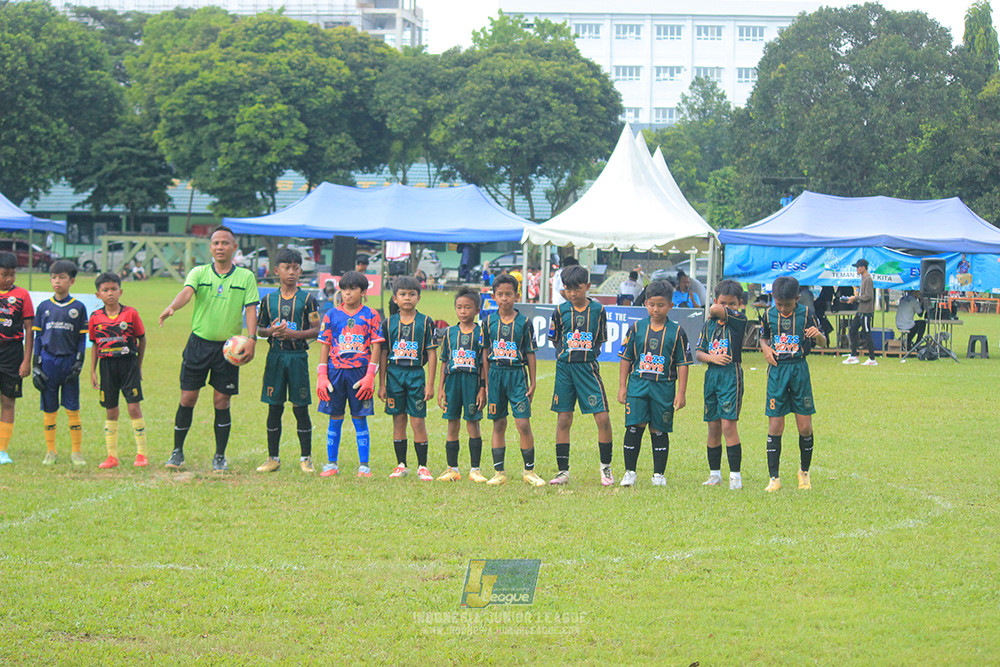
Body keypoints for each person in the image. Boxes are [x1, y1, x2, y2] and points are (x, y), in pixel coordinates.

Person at [159, 225, 259, 472]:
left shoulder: (245, 277)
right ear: (210, 247)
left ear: (234, 247)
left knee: (221, 401)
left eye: (225, 243)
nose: (220, 247)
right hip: (198, 345)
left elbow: (250, 309)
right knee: (187, 398)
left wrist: (252, 339)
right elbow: (187, 292)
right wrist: (173, 307)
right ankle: (177, 452)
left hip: (229, 350)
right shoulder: (199, 272)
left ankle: (220, 456)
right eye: (215, 243)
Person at [617, 280, 690, 486]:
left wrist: (681, 393)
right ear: (646, 304)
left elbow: (683, 363)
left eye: (661, 305)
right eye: (651, 304)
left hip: (664, 388)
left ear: (670, 306)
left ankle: (659, 475)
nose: (656, 309)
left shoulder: (677, 332)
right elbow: (626, 358)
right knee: (634, 427)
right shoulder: (636, 328)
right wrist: (623, 387)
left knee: (659, 430)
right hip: (638, 386)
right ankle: (629, 472)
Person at [256, 249, 321, 474]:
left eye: (295, 268)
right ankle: (272, 458)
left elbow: (316, 330)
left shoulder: (308, 300)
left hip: (297, 359)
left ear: (301, 271)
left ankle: (306, 458)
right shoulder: (268, 300)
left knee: (300, 408)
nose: (291, 272)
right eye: (286, 267)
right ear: (277, 271)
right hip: (275, 358)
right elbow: (260, 330)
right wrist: (271, 331)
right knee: (274, 407)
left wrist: (293, 335)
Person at [547, 265, 613, 486]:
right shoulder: (560, 310)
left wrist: (588, 354)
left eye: (577, 288)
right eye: (568, 289)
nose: (573, 294)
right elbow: (555, 339)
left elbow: (601, 338)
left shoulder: (598, 310)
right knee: (564, 418)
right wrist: (564, 355)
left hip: (588, 369)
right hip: (565, 370)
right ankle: (563, 471)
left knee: (602, 417)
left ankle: (606, 468)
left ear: (587, 286)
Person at [760, 276, 826, 492]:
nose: (783, 309)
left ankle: (804, 473)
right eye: (779, 304)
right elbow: (764, 337)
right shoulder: (769, 315)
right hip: (777, 372)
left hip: (799, 370)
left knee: (805, 427)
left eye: (788, 305)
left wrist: (818, 336)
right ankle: (774, 478)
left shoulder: (806, 314)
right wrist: (766, 348)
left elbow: (823, 341)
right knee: (775, 426)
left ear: (797, 299)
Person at [316, 270, 382, 478]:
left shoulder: (371, 314)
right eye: (344, 289)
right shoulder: (331, 315)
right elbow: (325, 345)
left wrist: (371, 375)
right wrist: (322, 375)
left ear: (362, 291)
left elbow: (377, 345)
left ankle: (364, 466)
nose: (347, 293)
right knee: (334, 417)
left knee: (359, 418)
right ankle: (331, 464)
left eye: (352, 289)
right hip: (335, 373)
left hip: (359, 374)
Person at [481, 274, 545, 487]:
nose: (504, 298)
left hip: (517, 376)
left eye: (509, 294)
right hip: (496, 375)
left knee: (523, 424)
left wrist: (533, 381)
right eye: (500, 294)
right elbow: (485, 352)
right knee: (498, 423)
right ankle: (499, 472)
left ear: (517, 296)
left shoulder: (524, 322)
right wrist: (485, 382)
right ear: (493, 296)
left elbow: (530, 352)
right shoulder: (488, 321)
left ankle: (529, 471)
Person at [379, 276, 437, 480]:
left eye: (412, 294)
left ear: (418, 297)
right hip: (394, 376)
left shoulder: (426, 322)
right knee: (399, 420)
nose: (407, 298)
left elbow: (431, 353)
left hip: (415, 376)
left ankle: (423, 466)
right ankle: (401, 464)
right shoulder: (388, 323)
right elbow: (383, 353)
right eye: (403, 294)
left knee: (418, 422)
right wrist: (382, 384)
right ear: (395, 298)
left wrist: (430, 384)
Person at [89, 272, 148, 468]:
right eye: (105, 290)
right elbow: (95, 345)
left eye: (114, 289)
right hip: (106, 366)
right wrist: (92, 370)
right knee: (111, 410)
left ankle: (141, 454)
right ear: (98, 295)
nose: (110, 293)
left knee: (133, 407)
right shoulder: (95, 317)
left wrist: (138, 366)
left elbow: (142, 339)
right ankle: (111, 456)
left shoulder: (130, 313)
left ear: (120, 291)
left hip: (128, 364)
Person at [33, 260, 88, 466]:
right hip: (48, 362)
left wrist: (79, 362)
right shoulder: (44, 307)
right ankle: (50, 451)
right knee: (49, 409)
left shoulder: (78, 308)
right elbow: (38, 338)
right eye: (54, 277)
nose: (57, 281)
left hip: (68, 363)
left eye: (62, 277)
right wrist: (36, 365)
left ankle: (76, 452)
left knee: (72, 409)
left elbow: (82, 340)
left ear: (72, 281)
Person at [695, 280, 748, 490]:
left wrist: (717, 309)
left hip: (730, 375)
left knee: (728, 425)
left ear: (740, 304)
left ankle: (735, 476)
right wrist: (712, 358)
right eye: (723, 302)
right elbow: (698, 353)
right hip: (712, 377)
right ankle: (715, 474)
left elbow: (716, 310)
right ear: (716, 299)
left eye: (732, 304)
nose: (727, 307)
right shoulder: (708, 325)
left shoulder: (738, 321)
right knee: (713, 426)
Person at [436, 287, 487, 482]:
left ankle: (475, 469)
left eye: (467, 307)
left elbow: (483, 364)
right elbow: (444, 362)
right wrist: (441, 388)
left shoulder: (481, 333)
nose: (463, 311)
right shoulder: (449, 333)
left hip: (472, 382)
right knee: (452, 424)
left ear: (477, 310)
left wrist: (482, 388)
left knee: (473, 424)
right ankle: (452, 468)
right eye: (459, 307)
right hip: (452, 382)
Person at [0, 252, 34, 464]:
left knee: (8, 400)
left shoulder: (22, 295)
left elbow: (30, 329)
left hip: (13, 353)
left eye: (13, 274)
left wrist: (26, 360)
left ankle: (2, 450)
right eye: (4, 274)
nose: (9, 279)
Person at [844, 259, 877, 366]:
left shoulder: (868, 279)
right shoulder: (863, 278)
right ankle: (853, 355)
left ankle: (872, 358)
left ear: (863, 267)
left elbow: (868, 296)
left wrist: (856, 298)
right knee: (852, 330)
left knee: (867, 333)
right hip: (860, 310)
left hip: (866, 312)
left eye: (858, 267)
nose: (856, 269)